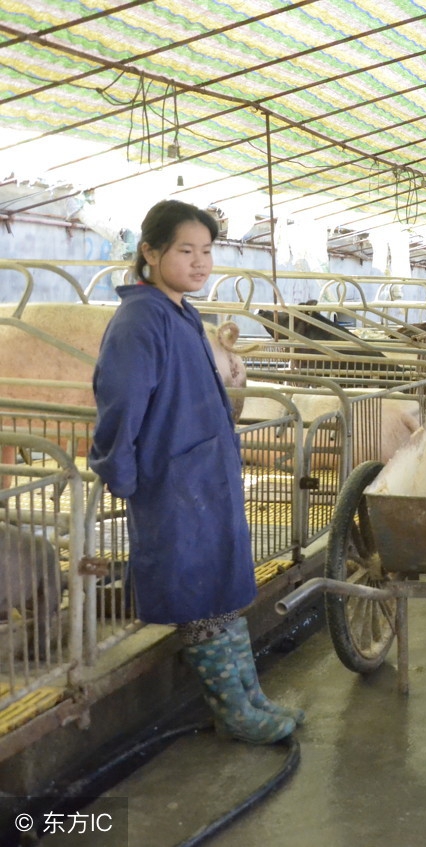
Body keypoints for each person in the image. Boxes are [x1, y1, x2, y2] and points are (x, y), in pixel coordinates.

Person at [90, 199, 301, 744]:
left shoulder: (182, 313)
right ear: (150, 253)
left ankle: (251, 698)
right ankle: (235, 714)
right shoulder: (140, 319)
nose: (200, 262)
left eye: (206, 251)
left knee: (223, 598)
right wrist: (123, 474)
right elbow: (121, 403)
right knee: (199, 604)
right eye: (185, 250)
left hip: (204, 479)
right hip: (171, 484)